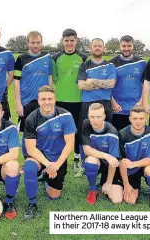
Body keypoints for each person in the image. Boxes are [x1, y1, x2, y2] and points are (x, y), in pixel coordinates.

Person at [22, 86, 76, 219]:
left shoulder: (66, 116)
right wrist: (48, 164)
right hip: (39, 157)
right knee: (29, 167)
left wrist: (56, 165)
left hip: (57, 159)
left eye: (50, 99)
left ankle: (45, 179)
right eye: (43, 99)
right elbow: (30, 148)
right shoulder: (31, 118)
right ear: (38, 101)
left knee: (54, 196)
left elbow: (70, 144)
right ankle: (32, 204)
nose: (47, 102)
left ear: (55, 99)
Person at [75, 38, 116, 177]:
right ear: (90, 48)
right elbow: (81, 85)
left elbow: (111, 84)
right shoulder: (84, 65)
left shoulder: (110, 66)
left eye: (100, 46)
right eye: (95, 46)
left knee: (106, 133)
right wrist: (101, 83)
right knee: (84, 133)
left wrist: (92, 81)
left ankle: (106, 164)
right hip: (87, 103)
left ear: (104, 48)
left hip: (105, 103)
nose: (97, 48)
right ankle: (84, 164)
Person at [53, 29, 88, 173]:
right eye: (66, 40)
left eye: (71, 40)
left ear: (76, 41)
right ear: (62, 41)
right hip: (60, 100)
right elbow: (53, 79)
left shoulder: (84, 58)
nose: (69, 43)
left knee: (77, 131)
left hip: (78, 100)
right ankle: (59, 160)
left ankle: (76, 158)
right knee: (60, 132)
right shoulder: (55, 58)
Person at [118, 106, 150, 208]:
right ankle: (136, 187)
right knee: (130, 200)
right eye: (135, 118)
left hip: (145, 164)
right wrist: (126, 185)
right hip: (131, 169)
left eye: (141, 118)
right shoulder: (122, 134)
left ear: (146, 118)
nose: (138, 122)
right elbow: (122, 162)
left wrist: (133, 164)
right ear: (129, 119)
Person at [81, 103, 122, 204]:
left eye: (99, 117)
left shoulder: (112, 132)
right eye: (92, 117)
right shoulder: (86, 124)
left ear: (104, 117)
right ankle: (93, 190)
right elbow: (87, 150)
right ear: (88, 116)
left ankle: (107, 181)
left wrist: (108, 183)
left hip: (110, 165)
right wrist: (105, 155)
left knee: (117, 200)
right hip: (97, 160)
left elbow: (113, 161)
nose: (95, 120)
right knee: (90, 160)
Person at [14, 31, 53, 132]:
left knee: (44, 131)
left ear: (42, 43)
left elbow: (49, 77)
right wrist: (18, 103)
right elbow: (16, 81)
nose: (36, 45)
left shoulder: (48, 57)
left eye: (38, 42)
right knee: (27, 133)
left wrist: (51, 97)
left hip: (44, 100)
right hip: (26, 101)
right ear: (28, 43)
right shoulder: (21, 59)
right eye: (33, 42)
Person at [109, 35, 146, 132]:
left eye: (129, 46)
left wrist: (141, 101)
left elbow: (146, 85)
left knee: (135, 138)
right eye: (124, 46)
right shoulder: (111, 63)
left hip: (136, 108)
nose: (126, 49)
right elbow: (107, 86)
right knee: (118, 138)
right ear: (119, 47)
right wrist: (113, 103)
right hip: (117, 108)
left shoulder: (141, 63)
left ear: (133, 46)